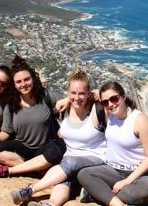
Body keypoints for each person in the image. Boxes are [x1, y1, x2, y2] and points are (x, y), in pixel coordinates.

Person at [10, 70, 106, 206]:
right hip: (70, 157)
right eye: (73, 93)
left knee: (69, 164)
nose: (77, 98)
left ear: (89, 93)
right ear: (68, 92)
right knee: (63, 179)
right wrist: (68, 100)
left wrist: (98, 93)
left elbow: (118, 100)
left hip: (96, 157)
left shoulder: (97, 109)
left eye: (82, 93)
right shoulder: (65, 109)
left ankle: (29, 190)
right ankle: (51, 204)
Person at [0, 55, 66, 180]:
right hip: (22, 147)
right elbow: (6, 131)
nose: (23, 84)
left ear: (33, 79)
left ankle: (11, 170)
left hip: (45, 146)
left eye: (26, 79)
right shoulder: (11, 103)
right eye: (18, 82)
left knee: (54, 153)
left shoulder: (45, 96)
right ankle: (37, 169)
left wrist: (67, 100)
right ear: (14, 84)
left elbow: (72, 98)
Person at [77, 81, 148, 206]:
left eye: (114, 99)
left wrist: (126, 181)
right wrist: (66, 100)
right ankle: (117, 203)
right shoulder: (109, 115)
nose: (110, 104)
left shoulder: (140, 121)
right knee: (84, 174)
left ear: (123, 96)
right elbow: (87, 95)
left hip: (136, 174)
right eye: (105, 102)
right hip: (112, 170)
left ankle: (100, 194)